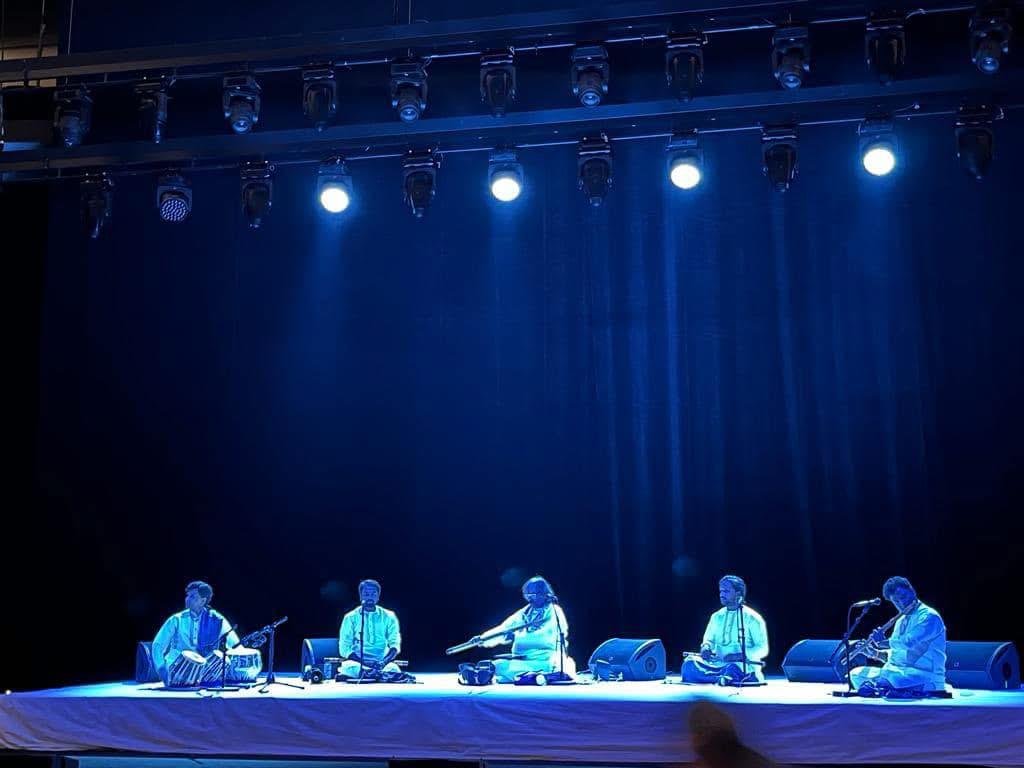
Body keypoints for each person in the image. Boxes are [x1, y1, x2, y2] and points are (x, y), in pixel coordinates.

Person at [849, 576, 946, 695]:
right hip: (898, 672)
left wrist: (883, 642)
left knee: (895, 679)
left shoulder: (929, 616)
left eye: (904, 597)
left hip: (924, 674)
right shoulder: (900, 620)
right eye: (897, 601)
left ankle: (882, 688)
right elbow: (897, 655)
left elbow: (908, 643)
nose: (903, 603)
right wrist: (875, 653)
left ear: (912, 590)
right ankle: (887, 690)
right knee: (856, 674)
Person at [472, 575, 575, 683]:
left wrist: (516, 636)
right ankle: (531, 678)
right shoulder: (524, 612)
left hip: (546, 659)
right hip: (525, 661)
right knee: (497, 665)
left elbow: (545, 636)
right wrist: (482, 639)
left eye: (533, 594)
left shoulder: (554, 611)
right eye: (527, 594)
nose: (530, 598)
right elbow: (503, 629)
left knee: (564, 666)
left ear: (544, 594)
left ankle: (538, 677)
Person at [682, 575, 769, 684]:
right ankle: (722, 679)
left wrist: (739, 655)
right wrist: (706, 648)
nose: (722, 594)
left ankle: (723, 678)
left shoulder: (752, 618)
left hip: (741, 665)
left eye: (726, 591)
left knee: (733, 669)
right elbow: (709, 640)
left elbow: (762, 648)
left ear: (738, 594)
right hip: (718, 664)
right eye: (721, 591)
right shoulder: (716, 616)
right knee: (689, 664)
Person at [152, 580, 240, 686]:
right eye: (187, 596)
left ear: (203, 601)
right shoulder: (176, 619)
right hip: (176, 672)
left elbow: (236, 646)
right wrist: (162, 670)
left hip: (206, 674)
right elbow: (158, 645)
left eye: (193, 597)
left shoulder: (216, 620)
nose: (187, 599)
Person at [338, 579, 402, 678]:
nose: (370, 597)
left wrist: (383, 662)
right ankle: (378, 676)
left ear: (378, 596)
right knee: (349, 667)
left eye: (373, 594)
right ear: (360, 596)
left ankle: (369, 675)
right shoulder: (350, 617)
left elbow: (394, 644)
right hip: (358, 661)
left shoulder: (389, 616)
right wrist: (364, 662)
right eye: (366, 594)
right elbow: (344, 648)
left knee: (393, 668)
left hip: (381, 662)